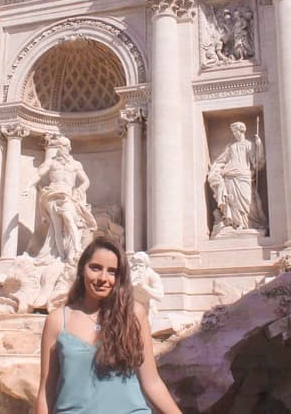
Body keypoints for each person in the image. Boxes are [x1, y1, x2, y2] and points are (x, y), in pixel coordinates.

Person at [36, 237, 181, 414]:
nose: (103, 278)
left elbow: (152, 382)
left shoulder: (134, 314)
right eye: (95, 268)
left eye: (112, 271)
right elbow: (46, 390)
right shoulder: (57, 320)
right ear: (82, 269)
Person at [23, 136, 97, 264]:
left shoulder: (75, 164)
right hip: (51, 194)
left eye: (62, 147)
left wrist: (79, 190)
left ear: (68, 148)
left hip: (67, 196)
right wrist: (28, 186)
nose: (60, 149)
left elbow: (86, 181)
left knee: (69, 218)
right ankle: (61, 256)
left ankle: (77, 249)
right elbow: (39, 174)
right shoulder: (51, 162)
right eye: (58, 147)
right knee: (56, 227)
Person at [207, 122, 266, 236]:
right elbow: (222, 160)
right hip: (230, 176)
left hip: (244, 175)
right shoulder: (231, 146)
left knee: (248, 201)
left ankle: (250, 223)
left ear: (242, 131)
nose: (234, 134)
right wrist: (215, 170)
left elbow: (257, 162)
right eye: (233, 132)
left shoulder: (249, 145)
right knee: (233, 201)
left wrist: (260, 146)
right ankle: (237, 225)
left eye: (236, 131)